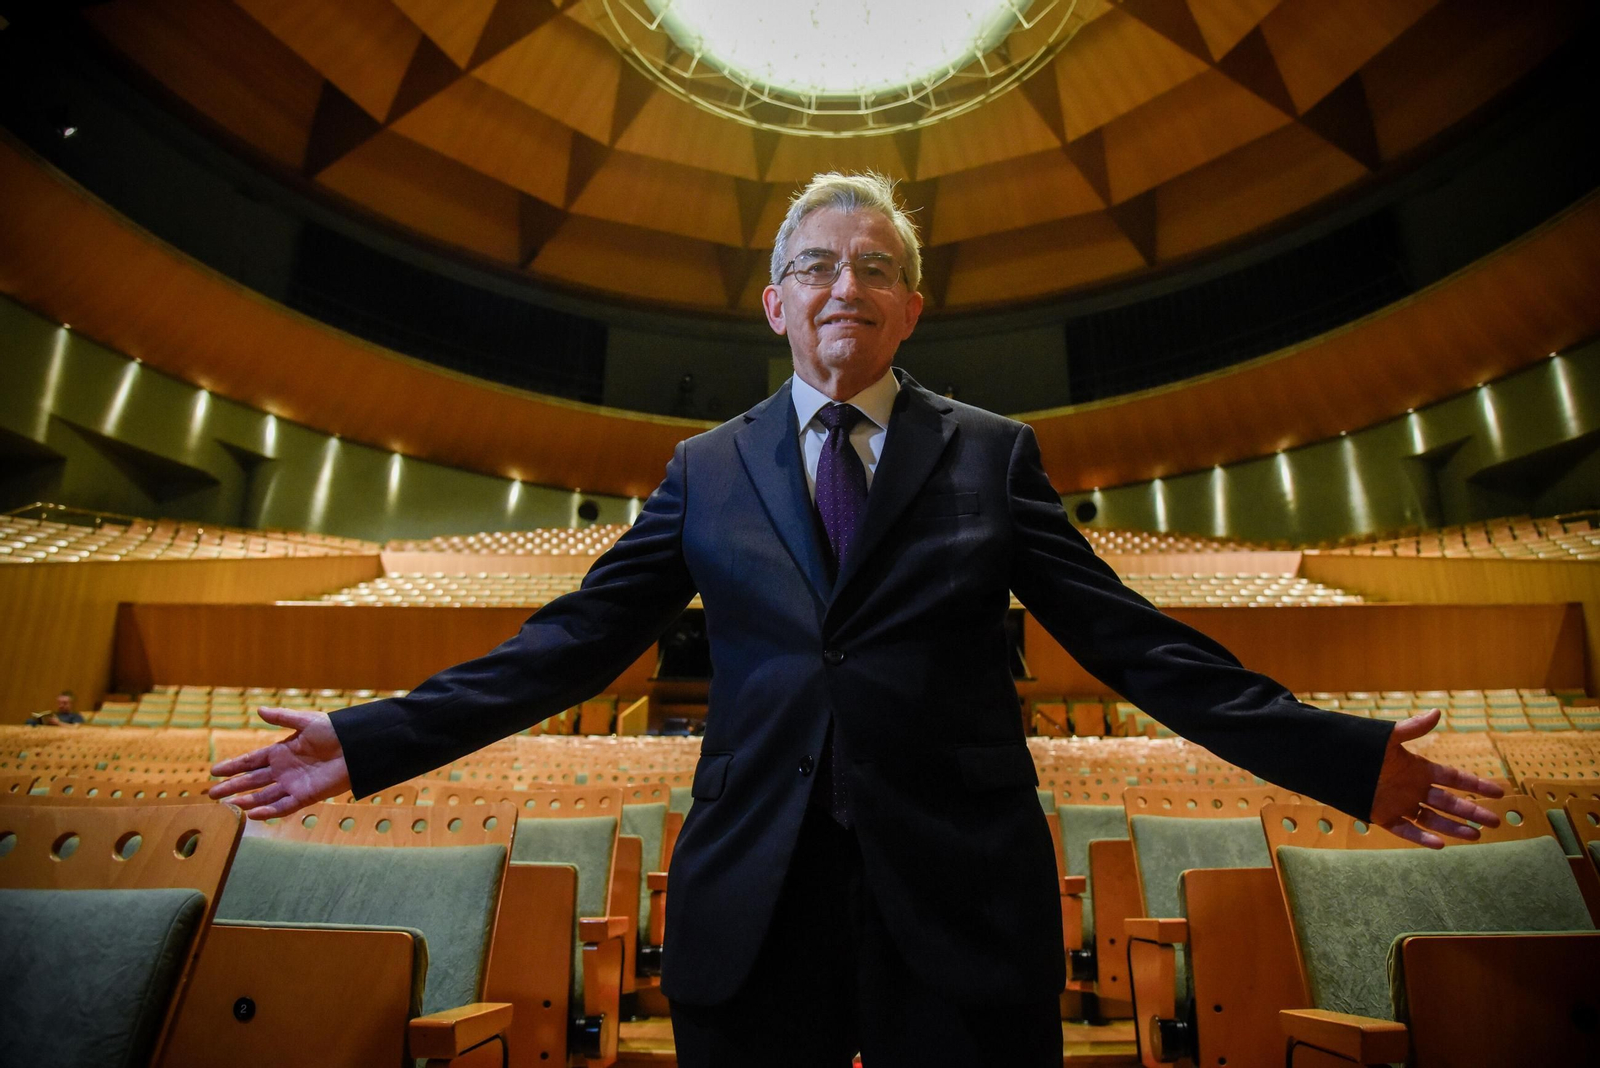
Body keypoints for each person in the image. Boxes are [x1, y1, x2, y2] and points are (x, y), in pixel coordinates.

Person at [211, 173, 1504, 1067]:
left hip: (957, 891)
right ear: (774, 302)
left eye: (876, 268)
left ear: (912, 309)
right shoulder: (704, 467)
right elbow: (575, 639)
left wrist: (1339, 754)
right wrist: (369, 739)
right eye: (816, 266)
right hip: (755, 895)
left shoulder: (994, 454)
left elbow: (1134, 643)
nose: (846, 285)